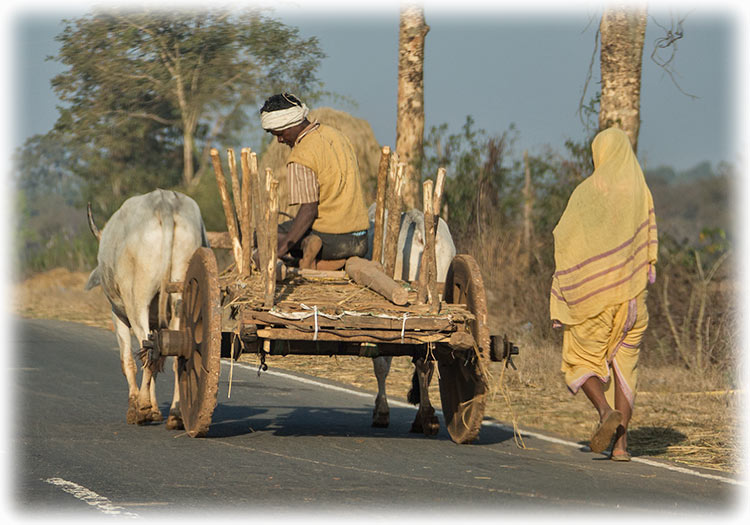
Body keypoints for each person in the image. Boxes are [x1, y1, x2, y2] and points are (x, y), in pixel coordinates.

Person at [550, 127, 658, 461]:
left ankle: (603, 412)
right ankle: (622, 447)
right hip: (633, 303)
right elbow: (649, 246)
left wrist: (564, 288)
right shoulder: (641, 192)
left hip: (596, 299)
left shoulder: (588, 191)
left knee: (579, 359)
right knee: (626, 368)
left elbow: (565, 238)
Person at [259, 93, 370, 270]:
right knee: (288, 230)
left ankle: (308, 247)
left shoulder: (301, 155)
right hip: (360, 239)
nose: (279, 140)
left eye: (279, 134)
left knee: (265, 236)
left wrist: (282, 249)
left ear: (290, 124)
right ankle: (324, 264)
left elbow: (309, 209)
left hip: (331, 242)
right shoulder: (337, 136)